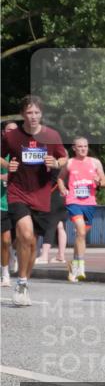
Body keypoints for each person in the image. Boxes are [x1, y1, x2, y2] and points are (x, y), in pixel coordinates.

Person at [0, 96, 68, 306]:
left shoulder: (51, 135)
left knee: (31, 244)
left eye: (37, 112)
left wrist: (56, 163)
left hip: (41, 194)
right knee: (26, 234)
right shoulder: (11, 136)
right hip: (17, 191)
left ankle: (24, 282)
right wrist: (6, 165)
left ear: (42, 114)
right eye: (29, 112)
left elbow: (64, 158)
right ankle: (21, 283)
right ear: (23, 114)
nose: (33, 116)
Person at [57, 136, 105, 282]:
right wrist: (62, 188)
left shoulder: (95, 162)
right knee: (80, 230)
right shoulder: (69, 162)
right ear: (74, 148)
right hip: (73, 201)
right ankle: (80, 266)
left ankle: (74, 264)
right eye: (80, 146)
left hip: (89, 203)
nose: (83, 149)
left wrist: (99, 182)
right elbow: (60, 178)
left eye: (85, 146)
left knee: (82, 235)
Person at [1, 121, 18, 287]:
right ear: (3, 132)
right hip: (2, 202)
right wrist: (4, 177)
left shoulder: (22, 151)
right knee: (5, 240)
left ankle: (13, 253)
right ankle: (5, 274)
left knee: (24, 235)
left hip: (19, 200)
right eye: (9, 130)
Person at [38, 186, 68, 265]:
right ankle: (61, 256)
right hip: (64, 197)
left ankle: (44, 256)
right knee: (60, 225)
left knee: (50, 225)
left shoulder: (57, 177)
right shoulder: (67, 176)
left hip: (53, 197)